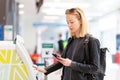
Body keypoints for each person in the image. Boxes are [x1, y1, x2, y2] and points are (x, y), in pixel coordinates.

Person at [33, 7, 100, 80]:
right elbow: (62, 61)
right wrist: (45, 70)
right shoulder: (71, 40)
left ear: (80, 21)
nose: (69, 25)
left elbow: (95, 68)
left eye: (72, 22)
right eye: (67, 22)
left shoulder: (91, 41)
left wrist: (71, 64)